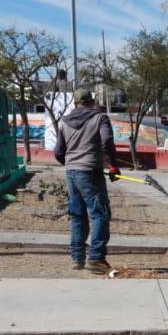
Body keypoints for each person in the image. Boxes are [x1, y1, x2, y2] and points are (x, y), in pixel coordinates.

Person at [53, 88, 120, 274]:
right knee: (100, 214)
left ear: (75, 103)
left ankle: (77, 258)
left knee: (77, 215)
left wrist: (71, 163)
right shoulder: (100, 118)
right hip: (90, 171)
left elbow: (58, 152)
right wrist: (112, 165)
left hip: (72, 172)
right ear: (91, 102)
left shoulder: (64, 122)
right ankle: (96, 258)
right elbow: (107, 141)